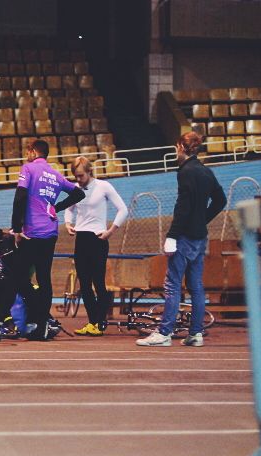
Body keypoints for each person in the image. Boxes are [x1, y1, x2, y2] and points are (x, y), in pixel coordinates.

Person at [137, 132, 227, 347]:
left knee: (172, 285)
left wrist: (172, 236)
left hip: (185, 237)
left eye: (176, 148)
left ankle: (164, 333)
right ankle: (196, 334)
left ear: (181, 147)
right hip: (200, 237)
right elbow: (221, 200)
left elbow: (183, 207)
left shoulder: (186, 171)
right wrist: (201, 219)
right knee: (196, 286)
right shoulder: (206, 171)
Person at [11, 139, 85, 340]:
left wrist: (16, 228)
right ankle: (42, 324)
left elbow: (20, 197)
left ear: (34, 152)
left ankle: (38, 315)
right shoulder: (55, 174)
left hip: (32, 232)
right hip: (50, 231)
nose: (26, 155)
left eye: (28, 151)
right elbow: (79, 194)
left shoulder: (28, 168)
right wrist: (56, 208)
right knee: (44, 278)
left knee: (18, 276)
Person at [64, 156, 128, 337]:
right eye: (76, 176)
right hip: (81, 239)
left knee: (98, 283)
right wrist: (68, 223)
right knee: (84, 284)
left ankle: (100, 322)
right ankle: (93, 322)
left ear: (89, 171)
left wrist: (110, 231)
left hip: (98, 238)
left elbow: (123, 209)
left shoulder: (103, 186)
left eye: (81, 176)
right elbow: (68, 208)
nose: (78, 179)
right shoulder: (75, 189)